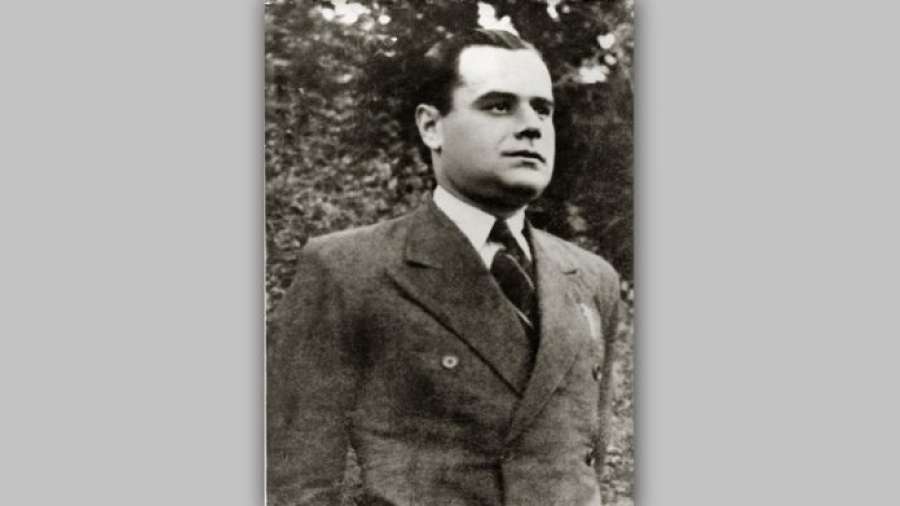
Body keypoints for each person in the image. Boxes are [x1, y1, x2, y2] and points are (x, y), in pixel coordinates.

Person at [267, 28, 625, 505]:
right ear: (431, 126)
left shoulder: (591, 278)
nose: (531, 127)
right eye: (499, 106)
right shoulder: (349, 269)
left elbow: (584, 464)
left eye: (543, 109)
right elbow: (298, 483)